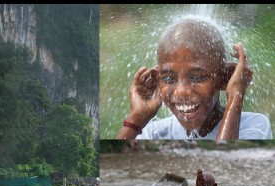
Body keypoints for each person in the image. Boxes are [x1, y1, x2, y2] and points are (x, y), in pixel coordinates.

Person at [116, 17, 272, 140]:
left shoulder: (253, 126)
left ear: (225, 78)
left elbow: (221, 166)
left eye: (197, 77)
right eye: (169, 78)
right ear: (157, 81)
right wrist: (136, 119)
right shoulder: (153, 132)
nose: (182, 92)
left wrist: (236, 95)